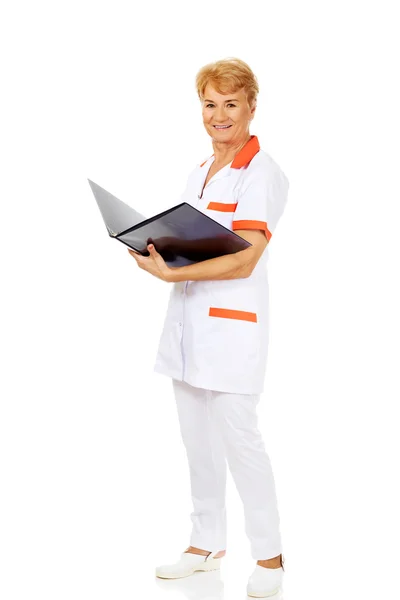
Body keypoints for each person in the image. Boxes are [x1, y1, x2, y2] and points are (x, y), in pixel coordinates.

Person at [128, 57, 289, 598]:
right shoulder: (200, 169)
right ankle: (205, 544)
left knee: (241, 442)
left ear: (250, 107)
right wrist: (157, 246)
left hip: (232, 334)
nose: (219, 115)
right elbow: (197, 238)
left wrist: (172, 271)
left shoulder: (262, 174)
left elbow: (244, 259)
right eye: (209, 104)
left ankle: (270, 556)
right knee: (197, 443)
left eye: (230, 104)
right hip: (190, 329)